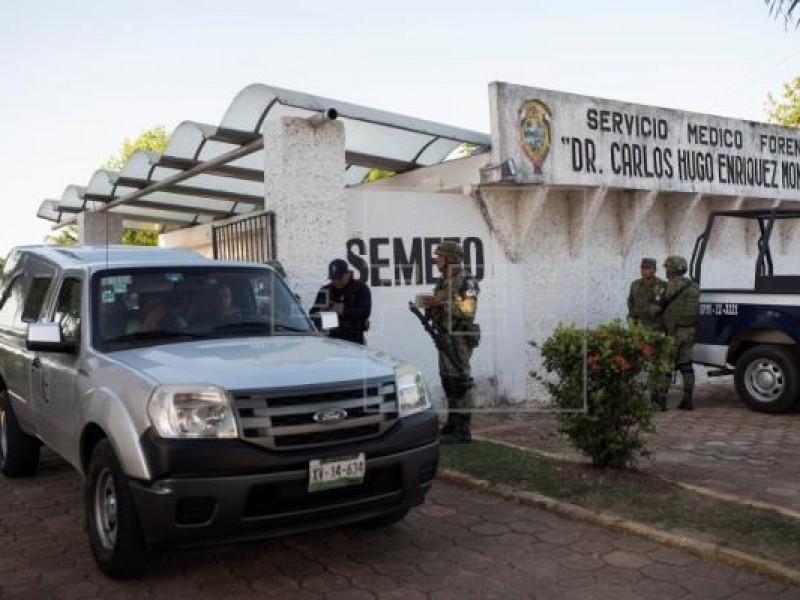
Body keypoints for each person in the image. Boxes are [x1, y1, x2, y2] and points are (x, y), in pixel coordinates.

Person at [417, 241, 481, 444]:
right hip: (444, 336)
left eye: (439, 256)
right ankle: (452, 424)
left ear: (450, 258)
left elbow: (468, 311)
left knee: (460, 382)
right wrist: (429, 305)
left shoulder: (466, 281)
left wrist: (441, 302)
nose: (436, 260)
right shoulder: (444, 280)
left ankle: (463, 430)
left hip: (459, 338)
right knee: (448, 381)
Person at [660, 255, 700, 410]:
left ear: (672, 270)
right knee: (687, 366)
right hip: (689, 331)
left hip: (672, 332)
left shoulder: (668, 286)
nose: (666, 271)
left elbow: (659, 305)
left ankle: (661, 401)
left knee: (665, 366)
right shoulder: (694, 286)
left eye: (667, 268)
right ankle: (688, 399)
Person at [627, 257, 668, 410]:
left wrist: (637, 313)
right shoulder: (635, 285)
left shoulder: (661, 286)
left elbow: (655, 309)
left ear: (654, 269)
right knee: (636, 364)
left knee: (657, 366)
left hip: (656, 331)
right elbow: (630, 304)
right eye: (642, 267)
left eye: (647, 268)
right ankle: (634, 398)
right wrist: (632, 321)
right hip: (639, 331)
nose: (644, 270)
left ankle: (659, 400)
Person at [310, 259, 371, 345]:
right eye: (333, 279)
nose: (336, 282)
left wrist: (343, 310)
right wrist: (323, 312)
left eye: (339, 278)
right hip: (331, 340)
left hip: (354, 339)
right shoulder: (326, 290)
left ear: (348, 274)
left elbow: (365, 312)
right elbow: (312, 314)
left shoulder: (360, 288)